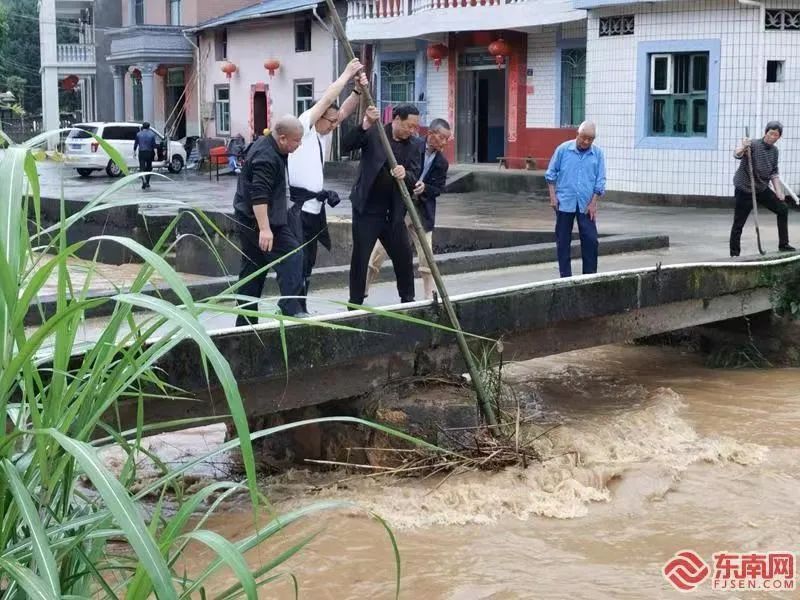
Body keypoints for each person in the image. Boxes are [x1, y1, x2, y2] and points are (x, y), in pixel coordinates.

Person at [288, 58, 369, 313]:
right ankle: (291, 306)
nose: (335, 125)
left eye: (336, 123)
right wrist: (346, 74)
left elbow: (341, 111)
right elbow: (327, 101)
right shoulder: (305, 127)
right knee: (297, 260)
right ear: (318, 117)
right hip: (297, 209)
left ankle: (302, 305)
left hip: (315, 209)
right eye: (331, 121)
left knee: (310, 261)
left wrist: (356, 91)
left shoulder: (324, 133)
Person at [342, 104, 425, 306]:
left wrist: (406, 175)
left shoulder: (415, 145)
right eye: (409, 125)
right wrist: (365, 124)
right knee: (361, 258)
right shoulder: (375, 132)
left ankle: (408, 300)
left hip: (394, 212)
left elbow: (415, 176)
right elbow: (347, 144)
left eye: (415, 127)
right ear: (396, 119)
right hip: (368, 209)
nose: (412, 131)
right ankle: (355, 303)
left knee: (404, 257)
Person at [365, 118, 451, 300]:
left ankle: (429, 297)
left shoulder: (442, 162)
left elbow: (439, 188)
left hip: (422, 210)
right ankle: (363, 289)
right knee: (380, 249)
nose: (444, 142)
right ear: (431, 134)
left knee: (426, 253)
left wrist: (425, 188)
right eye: (442, 137)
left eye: (447, 139)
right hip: (401, 206)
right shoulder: (413, 146)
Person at [233, 115, 306, 326]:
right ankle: (288, 312)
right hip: (258, 222)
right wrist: (265, 229)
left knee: (254, 269)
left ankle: (245, 323)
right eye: (296, 141)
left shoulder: (272, 147)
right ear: (282, 138)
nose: (299, 145)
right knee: (293, 255)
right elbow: (259, 194)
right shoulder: (266, 155)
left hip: (251, 218)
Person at [545, 121, 606, 278]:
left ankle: (589, 276)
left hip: (586, 204)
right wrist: (553, 197)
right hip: (564, 202)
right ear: (577, 134)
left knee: (591, 240)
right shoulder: (563, 150)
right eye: (584, 138)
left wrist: (594, 202)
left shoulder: (597, 154)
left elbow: (600, 180)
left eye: (590, 139)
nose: (586, 142)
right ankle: (565, 276)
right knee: (563, 240)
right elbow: (551, 174)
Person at [730, 121, 795, 256]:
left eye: (776, 135)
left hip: (761, 188)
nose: (772, 137)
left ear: (779, 137)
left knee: (782, 208)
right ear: (766, 133)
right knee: (739, 223)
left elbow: (774, 173)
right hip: (745, 189)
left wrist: (778, 191)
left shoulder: (774, 151)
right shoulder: (753, 145)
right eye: (771, 133)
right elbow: (737, 155)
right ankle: (734, 254)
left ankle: (784, 244)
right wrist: (743, 147)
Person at [133, 121, 157, 190]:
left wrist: (134, 152)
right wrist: (156, 154)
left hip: (141, 153)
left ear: (142, 127)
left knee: (142, 168)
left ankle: (143, 182)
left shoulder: (138, 134)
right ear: (149, 127)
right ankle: (148, 182)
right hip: (149, 153)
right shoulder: (152, 135)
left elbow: (135, 144)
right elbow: (154, 146)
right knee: (149, 168)